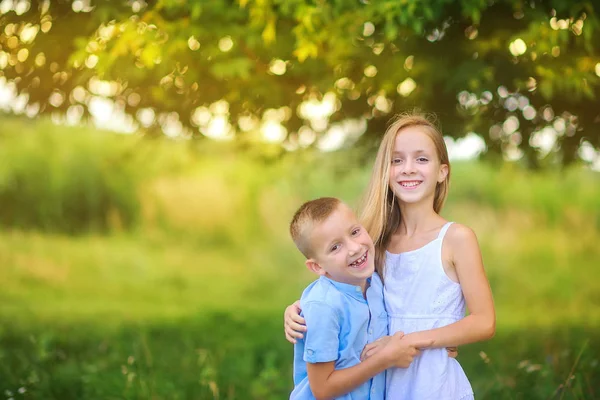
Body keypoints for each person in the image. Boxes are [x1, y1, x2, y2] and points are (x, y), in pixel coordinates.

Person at [285, 114, 496, 399]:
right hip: (381, 383)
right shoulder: (373, 242)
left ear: (442, 171)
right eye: (397, 160)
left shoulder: (456, 238)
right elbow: (343, 293)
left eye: (421, 159)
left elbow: (484, 321)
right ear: (386, 171)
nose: (408, 169)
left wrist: (415, 340)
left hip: (433, 382)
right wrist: (299, 310)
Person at [288, 197, 433, 400]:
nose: (354, 248)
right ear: (318, 267)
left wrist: (440, 344)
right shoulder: (324, 306)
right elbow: (322, 389)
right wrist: (384, 359)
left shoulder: (376, 283)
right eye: (335, 247)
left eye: (355, 232)